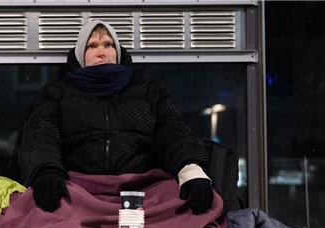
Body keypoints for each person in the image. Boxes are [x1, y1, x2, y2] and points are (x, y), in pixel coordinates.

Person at [18, 20, 214, 214]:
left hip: (141, 192)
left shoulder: (148, 92)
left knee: (196, 209)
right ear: (80, 55)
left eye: (108, 45)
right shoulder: (57, 94)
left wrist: (190, 170)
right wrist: (46, 172)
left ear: (117, 52)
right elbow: (41, 134)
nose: (101, 52)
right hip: (79, 192)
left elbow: (173, 132)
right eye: (92, 46)